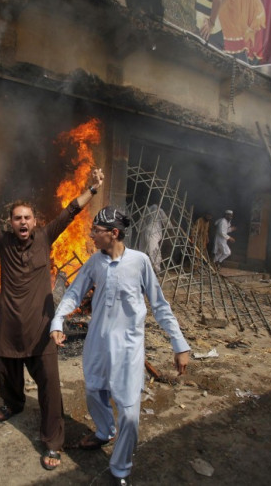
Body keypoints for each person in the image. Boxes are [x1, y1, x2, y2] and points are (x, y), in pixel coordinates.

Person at [0, 168, 104, 471]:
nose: (23, 222)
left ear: (35, 221)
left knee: (50, 387)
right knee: (4, 370)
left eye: (27, 217)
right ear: (11, 223)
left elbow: (71, 211)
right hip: (10, 324)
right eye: (17, 218)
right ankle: (13, 403)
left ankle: (53, 442)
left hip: (41, 327)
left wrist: (92, 189)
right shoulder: (3, 241)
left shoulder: (46, 237)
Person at [49, 206, 190, 486]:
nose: (91, 235)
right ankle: (104, 431)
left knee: (128, 412)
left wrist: (179, 343)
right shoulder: (94, 263)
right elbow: (74, 293)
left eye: (97, 231)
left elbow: (160, 306)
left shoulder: (140, 262)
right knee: (93, 391)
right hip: (98, 344)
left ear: (114, 233)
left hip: (128, 349)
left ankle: (120, 469)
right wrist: (57, 321)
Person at [140, 204, 167, 272]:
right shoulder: (160, 210)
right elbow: (167, 222)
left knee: (142, 251)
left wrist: (139, 230)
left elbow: (140, 222)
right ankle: (157, 269)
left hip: (144, 231)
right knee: (154, 251)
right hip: (153, 233)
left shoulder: (147, 209)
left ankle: (140, 267)